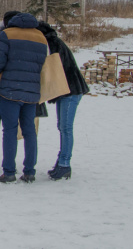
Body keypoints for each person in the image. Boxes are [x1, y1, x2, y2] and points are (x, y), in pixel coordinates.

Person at [0, 11, 48, 183]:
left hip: (9, 91)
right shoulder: (40, 37)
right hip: (31, 92)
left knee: (9, 130)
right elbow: (43, 64)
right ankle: (29, 171)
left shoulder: (7, 34)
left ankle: (8, 172)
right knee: (30, 131)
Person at [36, 21, 90, 181]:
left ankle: (65, 164)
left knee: (65, 128)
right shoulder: (53, 42)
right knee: (62, 127)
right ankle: (61, 163)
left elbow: (50, 67)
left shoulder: (51, 45)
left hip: (71, 90)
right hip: (66, 90)